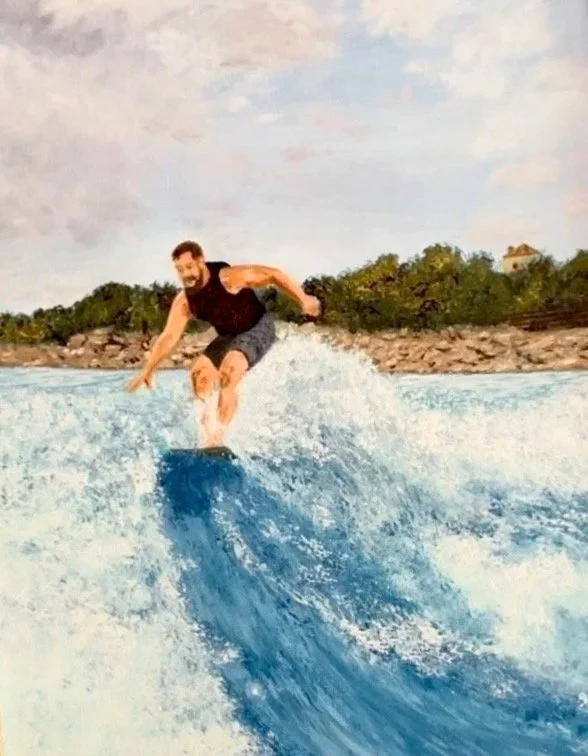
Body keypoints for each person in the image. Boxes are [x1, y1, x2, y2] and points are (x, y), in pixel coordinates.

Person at [125, 240, 321, 447]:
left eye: (189, 267)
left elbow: (272, 274)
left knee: (229, 370)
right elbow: (169, 336)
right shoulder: (185, 301)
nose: (185, 274)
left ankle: (220, 438)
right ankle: (207, 436)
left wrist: (303, 298)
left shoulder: (228, 278)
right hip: (228, 336)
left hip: (256, 327)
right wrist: (147, 370)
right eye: (180, 270)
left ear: (201, 261)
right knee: (199, 374)